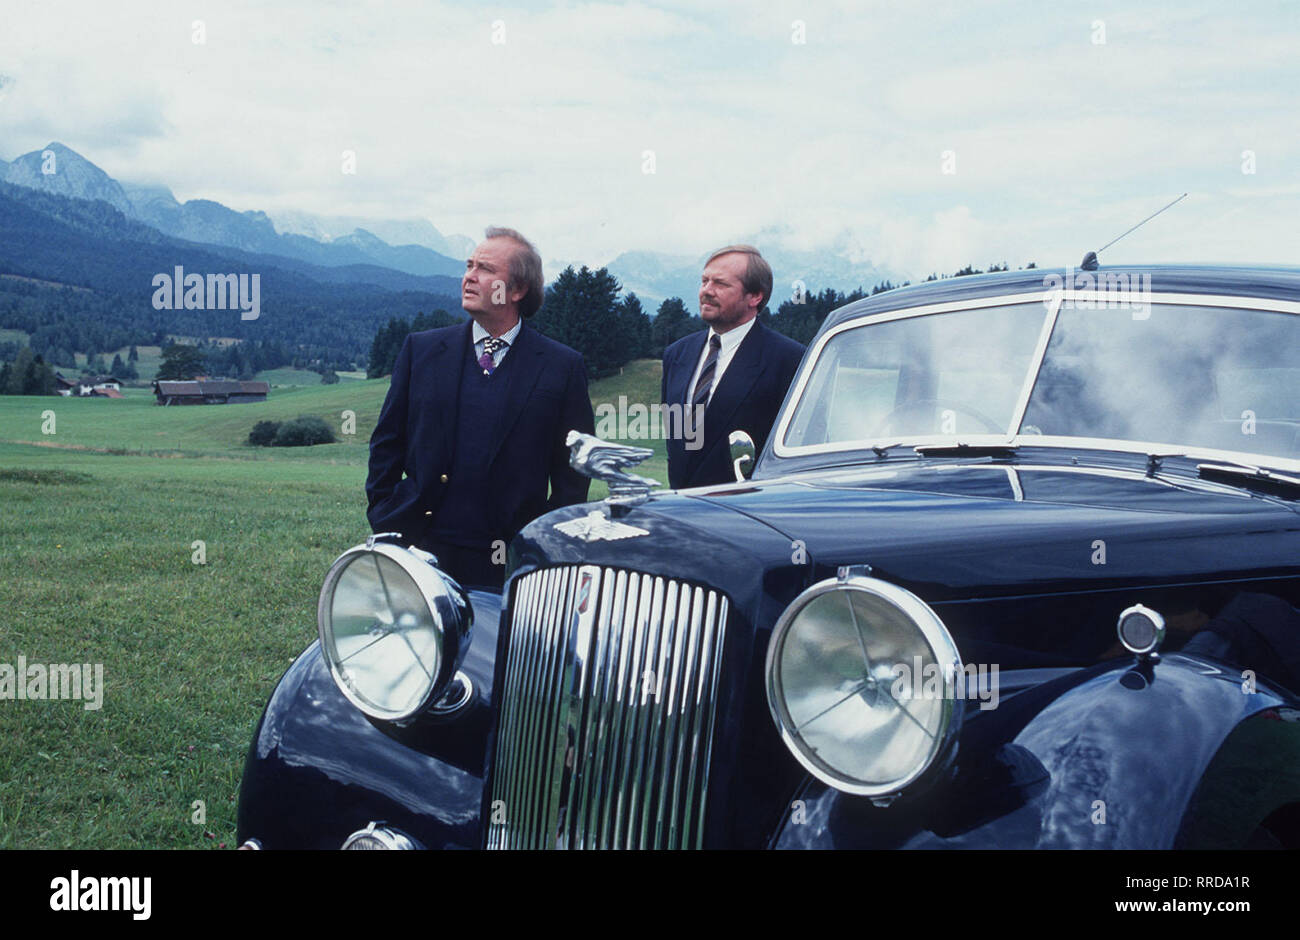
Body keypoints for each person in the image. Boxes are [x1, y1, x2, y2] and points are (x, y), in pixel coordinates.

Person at [366, 226, 594, 588]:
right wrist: (385, 513)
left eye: (485, 269)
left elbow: (572, 472)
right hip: (420, 547)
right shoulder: (421, 351)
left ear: (517, 290)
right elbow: (386, 443)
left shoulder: (561, 366)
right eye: (469, 266)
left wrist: (545, 542)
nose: (469, 277)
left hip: (511, 560)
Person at [661, 244, 805, 489]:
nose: (706, 291)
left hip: (748, 513)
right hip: (682, 509)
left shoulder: (789, 359)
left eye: (720, 284)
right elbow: (675, 442)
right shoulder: (676, 354)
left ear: (755, 296)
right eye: (704, 281)